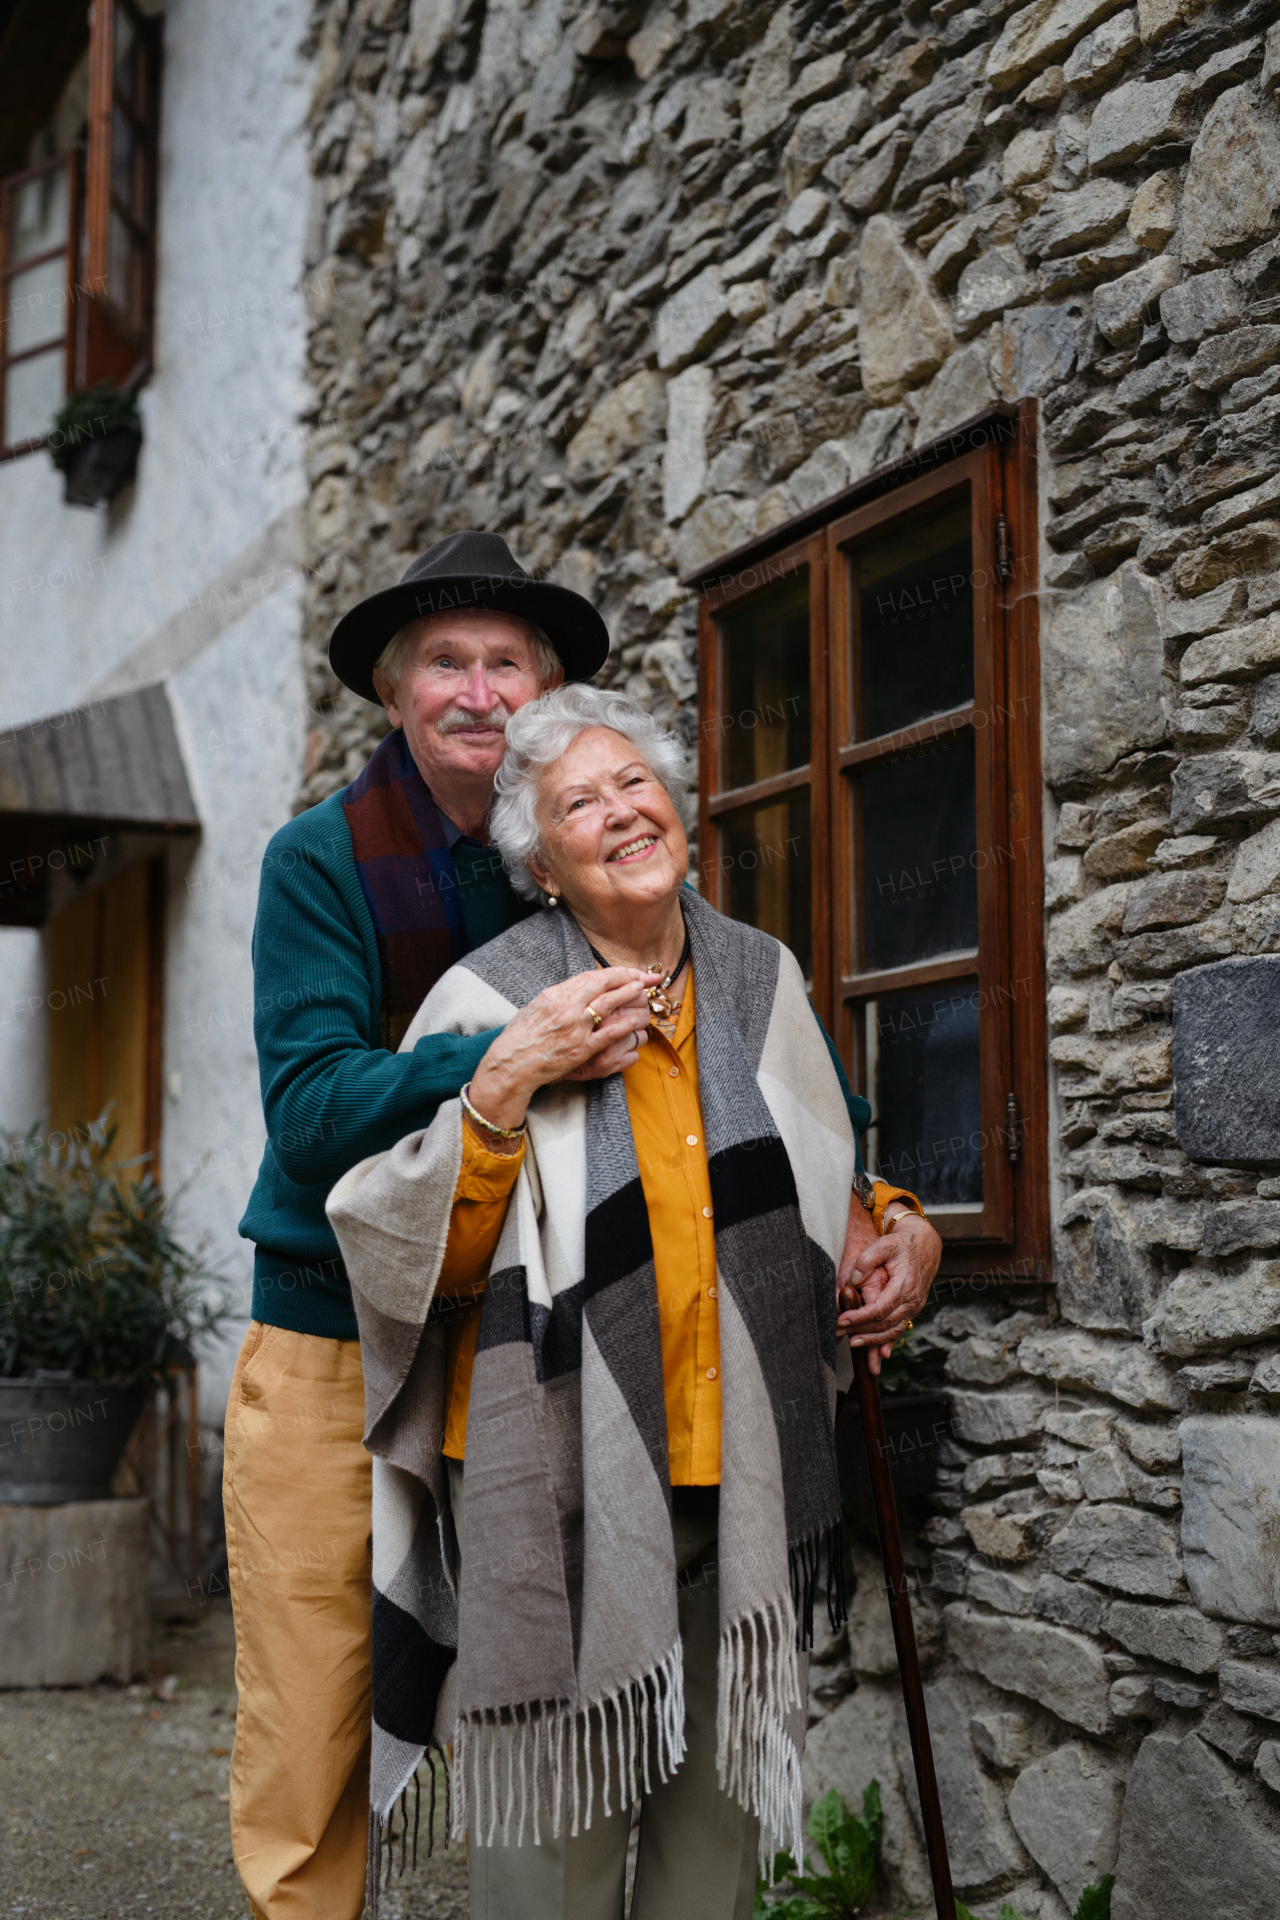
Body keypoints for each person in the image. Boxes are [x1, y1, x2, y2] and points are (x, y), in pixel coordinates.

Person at [327, 684, 943, 1920]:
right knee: (547, 1874)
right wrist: (504, 1088)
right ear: (541, 869)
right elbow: (411, 1262)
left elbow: (816, 1165)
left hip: (740, 1483)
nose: (619, 813)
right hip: (553, 1495)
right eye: (577, 805)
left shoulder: (757, 977)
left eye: (635, 784)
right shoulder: (488, 1001)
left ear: (675, 809)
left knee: (707, 1868)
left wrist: (900, 1227)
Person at [223, 532, 659, 1920]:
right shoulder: (320, 862)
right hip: (331, 1353)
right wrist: (497, 1061)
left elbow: (722, 1036)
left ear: (542, 693)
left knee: (523, 1693)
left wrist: (876, 1203)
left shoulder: (576, 849)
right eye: (446, 663)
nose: (479, 691)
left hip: (527, 1346)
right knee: (315, 1714)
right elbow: (307, 1109)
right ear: (397, 694)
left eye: (505, 662)